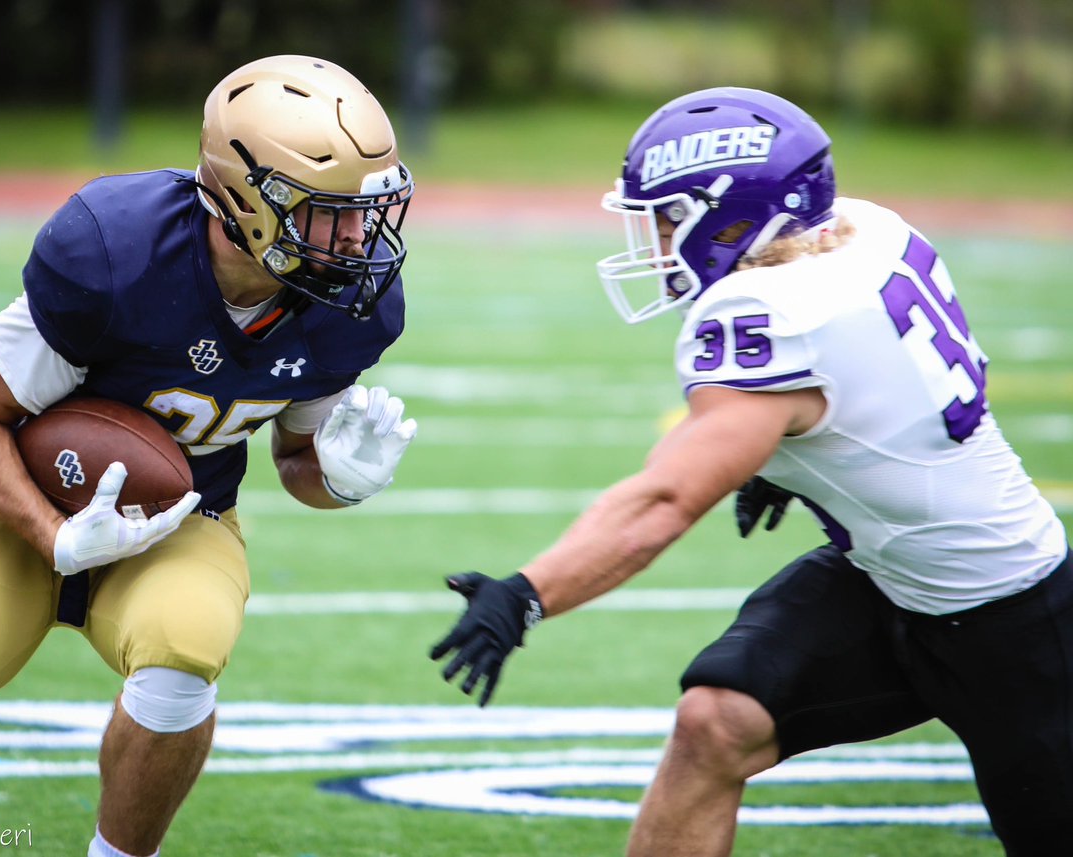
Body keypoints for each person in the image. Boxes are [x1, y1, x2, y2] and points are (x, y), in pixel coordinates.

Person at [430, 87, 1069, 857]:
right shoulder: (866, 229)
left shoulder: (768, 315)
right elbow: (875, 385)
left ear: (730, 214)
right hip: (886, 578)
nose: (656, 243)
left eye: (668, 219)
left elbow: (665, 499)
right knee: (715, 721)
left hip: (1015, 620)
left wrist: (526, 594)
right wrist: (787, 451)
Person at [0, 55, 417, 857]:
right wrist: (53, 535)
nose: (358, 238)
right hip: (20, 504)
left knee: (185, 645)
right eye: (329, 213)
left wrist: (339, 480)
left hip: (182, 519)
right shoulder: (114, 251)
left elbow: (296, 460)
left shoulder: (346, 309)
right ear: (250, 201)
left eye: (365, 210)